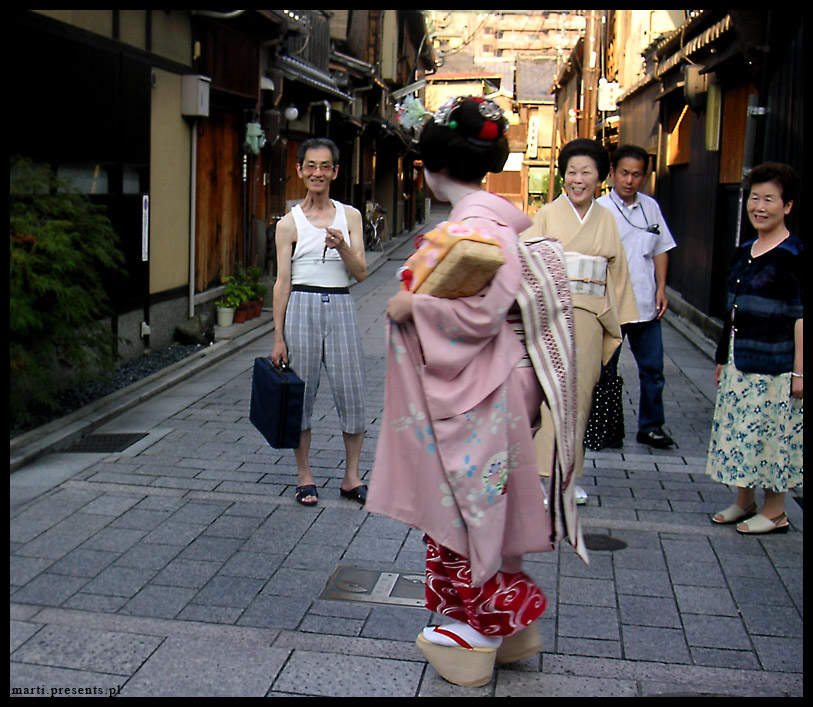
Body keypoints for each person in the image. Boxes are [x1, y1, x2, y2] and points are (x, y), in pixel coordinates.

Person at [367, 96, 585, 688]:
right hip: (492, 383)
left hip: (476, 388)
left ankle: (479, 627)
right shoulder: (490, 222)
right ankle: (509, 627)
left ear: (430, 167)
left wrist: (415, 304)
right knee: (483, 502)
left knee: (467, 507)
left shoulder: (475, 229)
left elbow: (481, 314)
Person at [522, 139, 639, 504]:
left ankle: (568, 478)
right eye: (571, 171)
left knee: (579, 398)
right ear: (562, 177)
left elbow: (615, 275)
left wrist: (618, 322)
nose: (578, 178)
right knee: (548, 396)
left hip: (589, 317)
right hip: (551, 314)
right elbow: (526, 262)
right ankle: (543, 479)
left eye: (586, 172)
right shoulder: (545, 215)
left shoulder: (606, 220)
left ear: (600, 178)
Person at [271, 137, 369, 507]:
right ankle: (304, 476)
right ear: (299, 170)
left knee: (352, 392)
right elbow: (282, 283)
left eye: (325, 166)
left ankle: (351, 477)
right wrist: (278, 336)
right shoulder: (288, 223)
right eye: (310, 166)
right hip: (302, 305)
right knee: (301, 394)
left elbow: (361, 273)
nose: (317, 173)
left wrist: (342, 245)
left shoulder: (351, 216)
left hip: (340, 305)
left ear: (335, 172)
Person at [708, 162, 803, 534]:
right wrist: (721, 357)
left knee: (773, 435)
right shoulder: (744, 250)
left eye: (769, 199)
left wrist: (800, 369)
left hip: (777, 363)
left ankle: (776, 510)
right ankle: (744, 501)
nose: (759, 206)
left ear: (788, 206)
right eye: (754, 198)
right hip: (739, 357)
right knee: (741, 431)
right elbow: (731, 309)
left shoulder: (793, 255)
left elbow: (800, 316)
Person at [597, 145, 677, 449]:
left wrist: (661, 288)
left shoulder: (650, 207)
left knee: (654, 370)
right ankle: (605, 428)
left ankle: (651, 427)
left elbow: (661, 248)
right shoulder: (600, 209)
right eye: (624, 173)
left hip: (645, 303)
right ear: (613, 173)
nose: (629, 180)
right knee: (606, 370)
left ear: (645, 176)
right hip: (611, 306)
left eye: (636, 174)